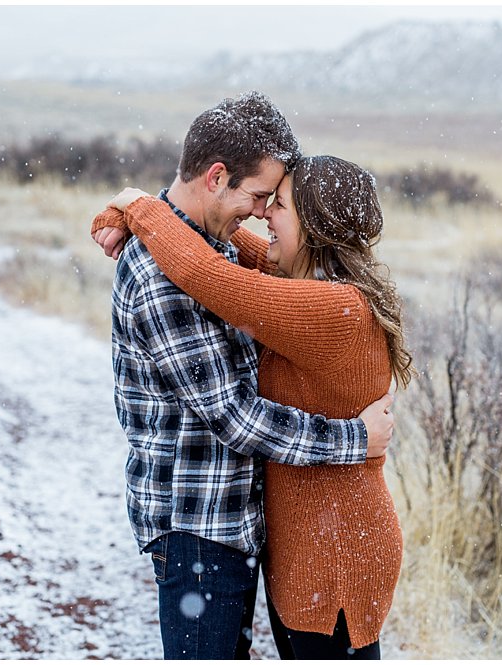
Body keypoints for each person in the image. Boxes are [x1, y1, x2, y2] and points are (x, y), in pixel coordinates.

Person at [90, 92, 395, 660]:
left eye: (275, 203)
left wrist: (138, 206)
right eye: (259, 197)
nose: (259, 213)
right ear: (216, 177)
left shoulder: (224, 252)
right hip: (198, 525)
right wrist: (134, 207)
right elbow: (233, 416)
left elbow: (223, 271)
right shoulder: (168, 271)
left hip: (272, 533)